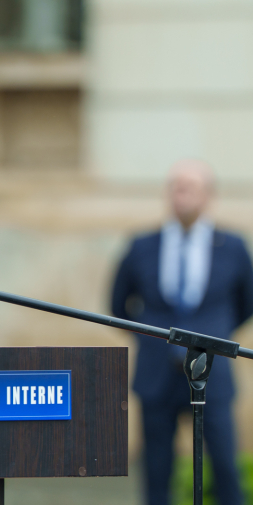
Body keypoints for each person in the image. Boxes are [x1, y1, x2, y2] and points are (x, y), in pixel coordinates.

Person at [111, 159, 253, 505]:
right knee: (156, 468)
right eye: (176, 187)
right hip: (156, 373)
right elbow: (118, 304)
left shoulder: (232, 246)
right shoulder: (142, 245)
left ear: (208, 195)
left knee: (224, 465)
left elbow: (246, 302)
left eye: (191, 187)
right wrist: (152, 339)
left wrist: (214, 337)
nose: (182, 195)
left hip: (212, 373)